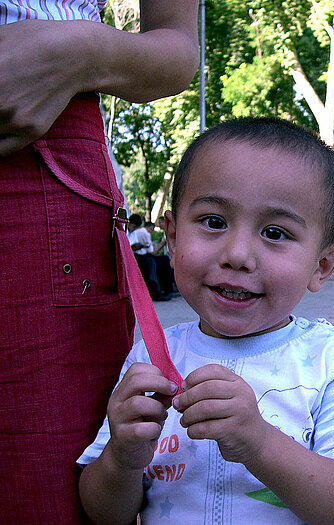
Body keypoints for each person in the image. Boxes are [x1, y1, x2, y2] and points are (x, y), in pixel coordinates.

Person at [78, 118, 334, 524]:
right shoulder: (151, 360)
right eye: (214, 222)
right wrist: (122, 458)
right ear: (173, 240)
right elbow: (105, 513)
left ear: (322, 265)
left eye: (275, 232)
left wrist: (259, 442)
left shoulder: (332, 361)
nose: (238, 254)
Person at [0, 3, 199, 522]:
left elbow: (178, 48)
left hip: (30, 139)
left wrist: (77, 49)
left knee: (37, 494)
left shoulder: (332, 362)